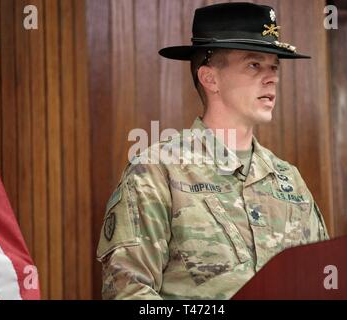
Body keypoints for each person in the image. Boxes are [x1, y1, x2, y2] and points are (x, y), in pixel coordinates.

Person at [97, 2, 329, 300]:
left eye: (274, 67)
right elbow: (129, 294)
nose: (271, 77)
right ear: (210, 79)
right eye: (254, 65)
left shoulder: (289, 180)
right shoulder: (157, 171)